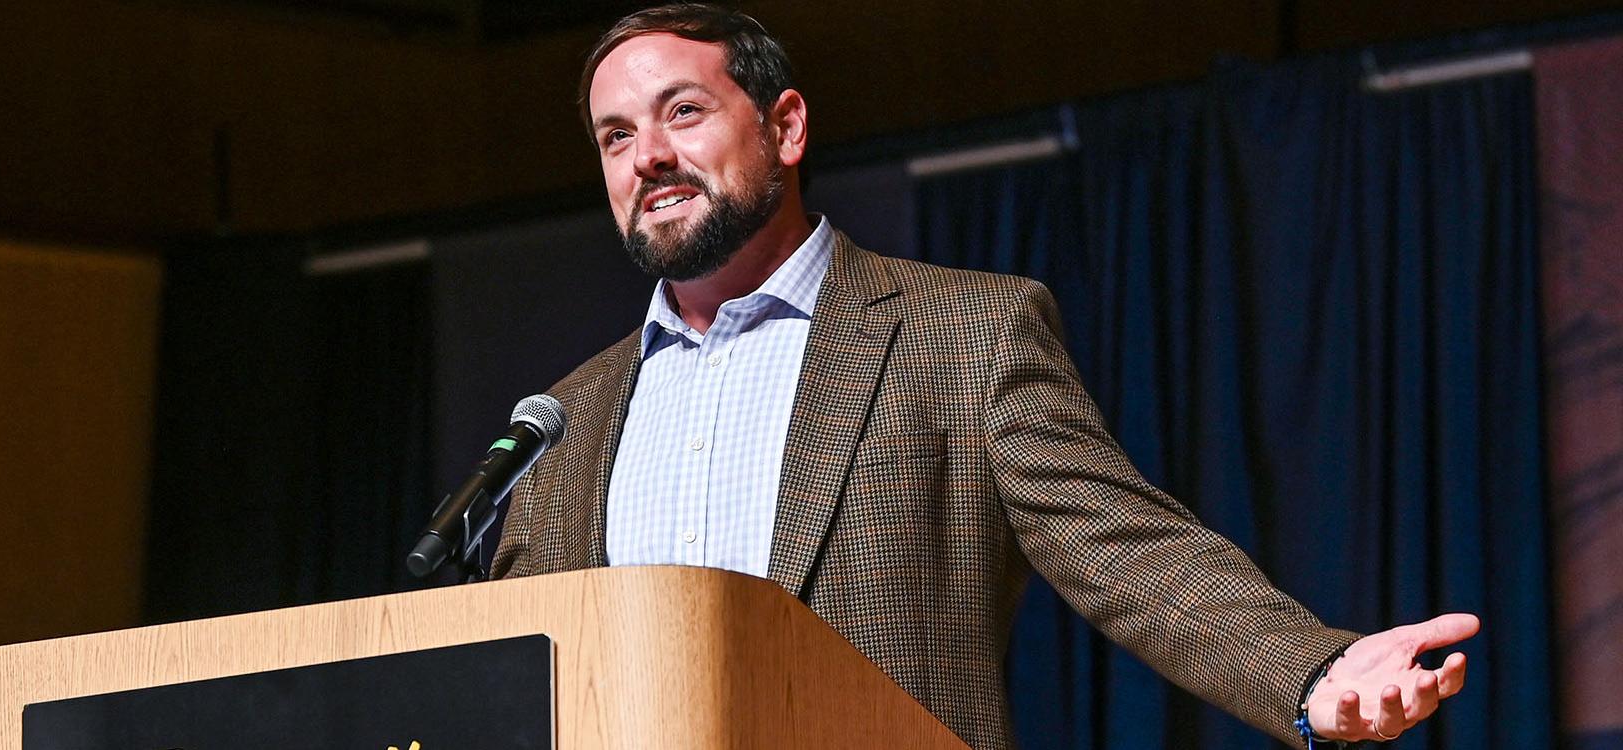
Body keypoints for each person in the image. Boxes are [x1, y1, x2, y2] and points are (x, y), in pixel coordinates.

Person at [487, 4, 1475, 748]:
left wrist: (1309, 672)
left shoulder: (962, 335)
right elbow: (512, 676)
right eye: (615, 136)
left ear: (785, 128)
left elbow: (1128, 556)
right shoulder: (564, 419)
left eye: (683, 112)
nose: (647, 155)